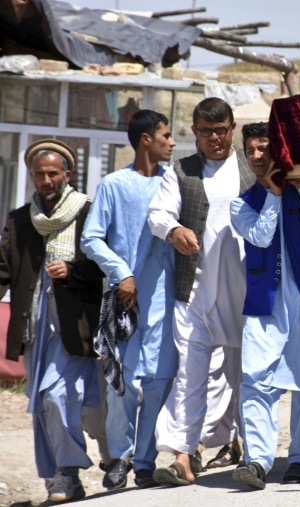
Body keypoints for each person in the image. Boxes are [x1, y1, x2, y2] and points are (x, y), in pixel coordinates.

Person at [148, 97, 254, 486]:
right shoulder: (180, 171)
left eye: (222, 130)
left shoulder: (251, 166)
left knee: (248, 376)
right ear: (194, 132)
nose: (215, 138)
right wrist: (174, 230)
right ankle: (181, 457)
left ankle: (253, 454)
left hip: (246, 292)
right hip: (193, 291)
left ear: (233, 128)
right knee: (190, 376)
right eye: (206, 132)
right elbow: (158, 214)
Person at [229, 122, 300, 490]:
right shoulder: (241, 204)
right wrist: (273, 196)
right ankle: (257, 460)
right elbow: (259, 235)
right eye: (252, 150)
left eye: (264, 149)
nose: (258, 157)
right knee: (255, 380)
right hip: (264, 304)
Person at [0, 139, 105, 502]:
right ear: (32, 175)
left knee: (59, 397)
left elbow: (104, 262)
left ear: (67, 175)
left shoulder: (87, 212)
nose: (46, 180)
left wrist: (73, 270)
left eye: (53, 173)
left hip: (73, 324)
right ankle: (57, 479)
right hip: (34, 326)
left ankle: (67, 471)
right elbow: (4, 268)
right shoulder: (18, 219)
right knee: (40, 402)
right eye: (40, 174)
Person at [81, 109, 179, 489]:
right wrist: (121, 272)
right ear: (146, 140)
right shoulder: (113, 185)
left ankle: (145, 460)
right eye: (166, 135)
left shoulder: (173, 183)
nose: (171, 142)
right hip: (125, 302)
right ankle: (118, 457)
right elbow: (92, 238)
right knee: (123, 383)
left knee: (158, 381)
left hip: (166, 299)